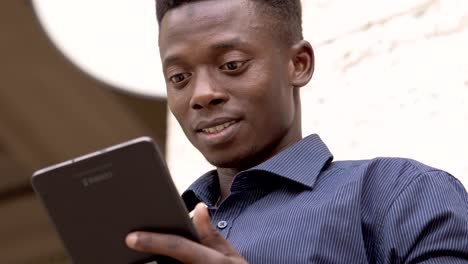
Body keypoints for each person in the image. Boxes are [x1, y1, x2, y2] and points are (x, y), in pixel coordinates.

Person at [125, 0, 468, 263]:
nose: (201, 94)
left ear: (298, 64)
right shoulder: (155, 232)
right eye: (179, 78)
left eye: (231, 65)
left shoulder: (398, 193)